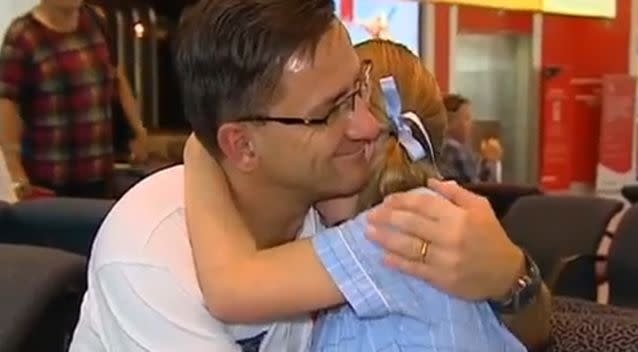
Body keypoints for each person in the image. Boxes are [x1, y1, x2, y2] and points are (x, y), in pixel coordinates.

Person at [69, 1, 550, 351]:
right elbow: (234, 286)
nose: (368, 126)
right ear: (242, 145)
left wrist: (511, 275)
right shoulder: (151, 255)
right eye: (328, 113)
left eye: (359, 89)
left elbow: (533, 327)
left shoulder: (345, 209)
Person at [182, 38, 536, 352]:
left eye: (332, 109)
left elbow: (232, 289)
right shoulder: (423, 218)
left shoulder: (391, 230)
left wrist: (200, 150)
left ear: (361, 137)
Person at [0, 0, 148, 199]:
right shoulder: (23, 36)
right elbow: (8, 103)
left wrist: (137, 130)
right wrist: (15, 171)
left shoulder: (96, 22)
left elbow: (116, 77)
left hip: (99, 176)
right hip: (48, 181)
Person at [440, 94, 502, 184]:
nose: (471, 125)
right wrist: (492, 162)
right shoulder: (452, 150)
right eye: (467, 118)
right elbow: (482, 190)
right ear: (449, 122)